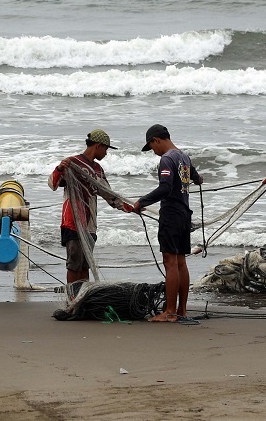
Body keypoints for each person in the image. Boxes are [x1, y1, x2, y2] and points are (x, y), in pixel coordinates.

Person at [130, 124, 203, 322]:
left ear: (156, 140)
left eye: (151, 147)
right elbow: (197, 179)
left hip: (171, 213)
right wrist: (197, 179)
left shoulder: (167, 159)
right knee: (180, 262)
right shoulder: (184, 157)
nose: (153, 151)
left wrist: (141, 202)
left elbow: (165, 187)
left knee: (170, 262)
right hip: (185, 214)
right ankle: (182, 310)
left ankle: (169, 312)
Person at [49, 129, 125, 284]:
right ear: (98, 146)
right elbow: (52, 183)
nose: (106, 153)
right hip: (73, 222)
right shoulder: (72, 163)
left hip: (90, 226)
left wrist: (131, 207)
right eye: (106, 149)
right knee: (74, 265)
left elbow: (108, 194)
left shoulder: (98, 169)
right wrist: (59, 169)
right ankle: (73, 300)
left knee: (85, 265)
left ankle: (84, 299)